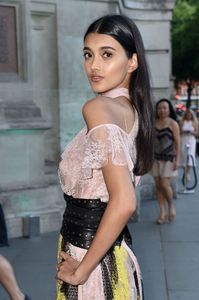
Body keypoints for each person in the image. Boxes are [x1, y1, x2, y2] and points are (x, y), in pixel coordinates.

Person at [56, 14, 154, 300]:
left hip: (90, 258)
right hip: (111, 254)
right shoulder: (130, 111)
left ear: (132, 62)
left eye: (107, 54)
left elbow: (124, 201)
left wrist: (80, 272)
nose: (94, 66)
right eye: (88, 54)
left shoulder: (98, 108)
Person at [151, 99, 180, 224]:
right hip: (155, 158)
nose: (162, 110)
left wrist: (177, 160)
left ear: (169, 110)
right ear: (157, 110)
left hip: (169, 158)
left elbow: (178, 142)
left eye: (165, 108)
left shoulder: (173, 124)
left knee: (164, 184)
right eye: (160, 108)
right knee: (157, 185)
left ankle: (171, 206)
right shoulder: (153, 122)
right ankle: (162, 212)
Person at [180, 109, 198, 182]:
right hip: (183, 139)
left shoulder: (194, 123)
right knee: (184, 155)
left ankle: (188, 173)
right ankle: (185, 170)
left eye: (190, 114)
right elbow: (179, 131)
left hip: (191, 140)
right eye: (187, 114)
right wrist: (183, 131)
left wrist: (192, 132)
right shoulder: (182, 122)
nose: (188, 116)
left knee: (190, 155)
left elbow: (197, 133)